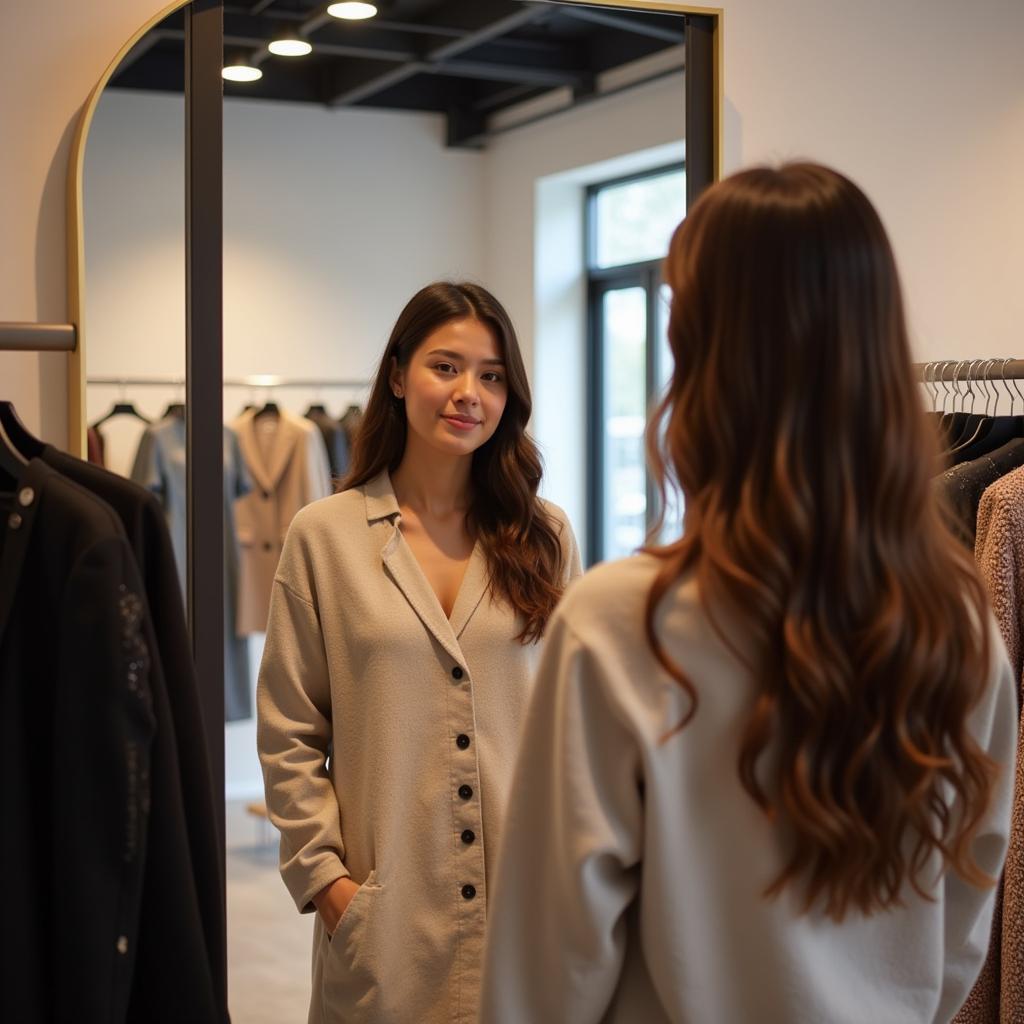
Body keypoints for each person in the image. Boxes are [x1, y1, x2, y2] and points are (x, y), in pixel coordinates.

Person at [479, 164, 1018, 1024]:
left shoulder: (624, 623)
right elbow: (961, 930)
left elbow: (550, 969)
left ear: (702, 360)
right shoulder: (955, 625)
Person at [256, 281, 581, 1024]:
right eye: (447, 367)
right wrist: (328, 882)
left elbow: (574, 718)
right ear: (398, 376)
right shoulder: (324, 536)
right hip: (387, 919)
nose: (469, 393)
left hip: (528, 911)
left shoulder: (547, 536)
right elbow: (288, 730)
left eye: (492, 376)